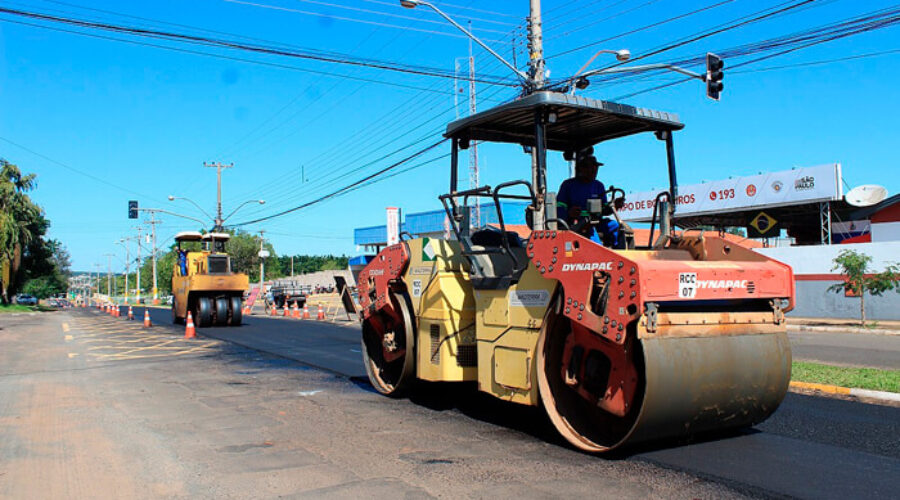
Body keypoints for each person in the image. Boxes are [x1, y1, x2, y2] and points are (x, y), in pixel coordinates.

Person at [556, 151, 622, 247]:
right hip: (576, 224)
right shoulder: (568, 185)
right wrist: (569, 213)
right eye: (590, 167)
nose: (594, 170)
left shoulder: (599, 186)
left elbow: (604, 209)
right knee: (590, 230)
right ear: (581, 169)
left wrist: (614, 205)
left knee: (615, 226)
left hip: (596, 222)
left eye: (596, 167)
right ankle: (600, 256)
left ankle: (621, 253)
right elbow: (559, 208)